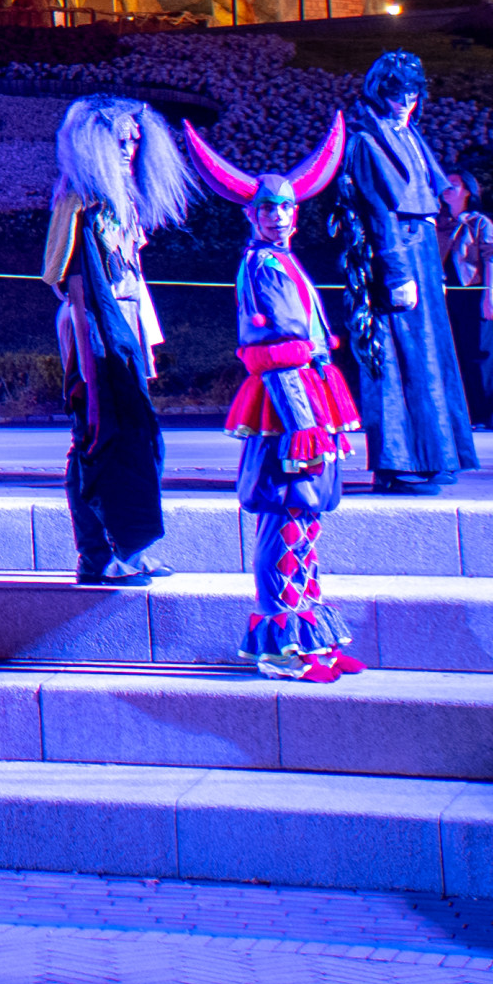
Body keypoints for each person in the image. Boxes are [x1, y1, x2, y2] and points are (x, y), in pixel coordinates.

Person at [178, 112, 360, 680]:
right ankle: (281, 646)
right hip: (287, 399)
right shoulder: (260, 264)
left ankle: (310, 637)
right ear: (252, 215)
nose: (279, 217)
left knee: (306, 516)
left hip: (308, 391)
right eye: (268, 209)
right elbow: (277, 343)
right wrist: (301, 420)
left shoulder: (282, 259)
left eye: (285, 208)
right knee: (284, 514)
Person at [42, 92, 190, 587]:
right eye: (120, 141)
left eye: (134, 140)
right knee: (96, 435)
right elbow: (75, 283)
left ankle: (127, 549)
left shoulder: (120, 198)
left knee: (129, 434)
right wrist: (90, 357)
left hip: (124, 322)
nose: (129, 150)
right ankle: (98, 555)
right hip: (94, 328)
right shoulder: (78, 199)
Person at [329, 53, 477, 492]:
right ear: (381, 91)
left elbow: (425, 202)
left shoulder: (407, 134)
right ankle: (397, 464)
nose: (405, 102)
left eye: (411, 93)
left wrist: (431, 272)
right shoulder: (366, 142)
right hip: (397, 256)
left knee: (431, 355)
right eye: (397, 93)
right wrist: (397, 273)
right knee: (398, 358)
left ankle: (437, 455)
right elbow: (379, 214)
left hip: (422, 254)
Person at [441, 171, 493, 430]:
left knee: (478, 353)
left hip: (472, 291)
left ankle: (485, 415)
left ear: (467, 191)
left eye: (454, 184)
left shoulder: (479, 222)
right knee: (452, 353)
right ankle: (459, 414)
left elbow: (491, 258)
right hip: (443, 294)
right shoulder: (437, 222)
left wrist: (488, 295)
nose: (447, 188)